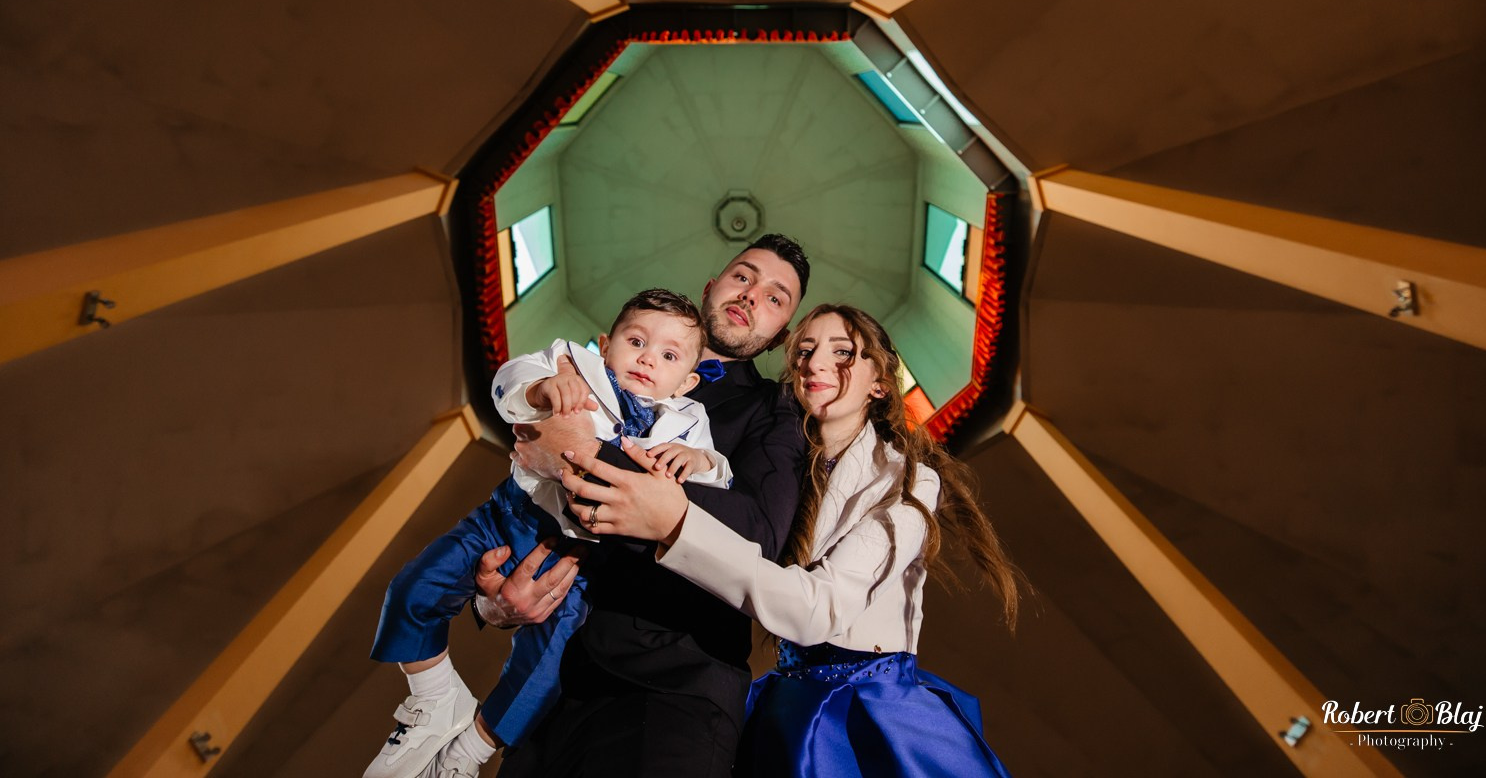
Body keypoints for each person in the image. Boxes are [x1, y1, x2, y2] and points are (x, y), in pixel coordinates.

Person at [561, 303, 1023, 777]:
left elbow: (818, 609)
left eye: (842, 352)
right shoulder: (781, 475)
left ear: (881, 383)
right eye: (804, 351)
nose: (815, 363)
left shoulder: (910, 481)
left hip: (871, 710)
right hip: (789, 705)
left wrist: (676, 524)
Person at [427, 234, 810, 778]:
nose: (751, 294)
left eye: (775, 297)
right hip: (551, 687)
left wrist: (582, 452)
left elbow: (757, 536)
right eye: (743, 276)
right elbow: (532, 498)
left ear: (782, 334)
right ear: (711, 287)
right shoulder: (593, 373)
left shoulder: (776, 409)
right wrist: (495, 602)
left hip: (673, 688)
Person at [364, 288, 729, 778]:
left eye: (668, 355)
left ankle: (468, 754)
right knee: (413, 587)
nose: (647, 359)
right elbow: (510, 376)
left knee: (542, 673)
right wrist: (540, 390)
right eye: (636, 341)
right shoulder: (571, 363)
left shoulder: (689, 422)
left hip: (578, 560)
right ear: (605, 344)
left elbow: (720, 479)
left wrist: (699, 460)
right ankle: (433, 695)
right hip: (507, 517)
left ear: (687, 381)